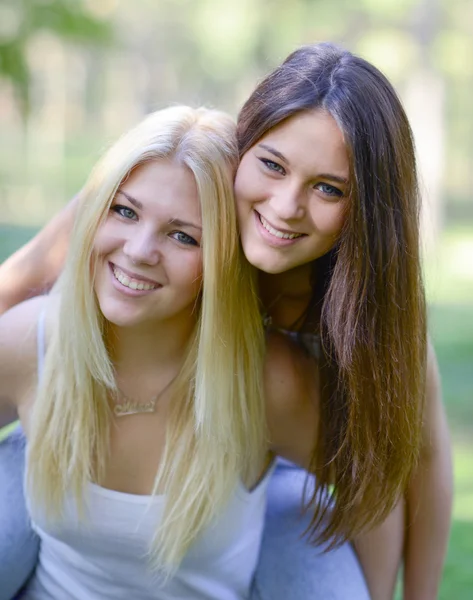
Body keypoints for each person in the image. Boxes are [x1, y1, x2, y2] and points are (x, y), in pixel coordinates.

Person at [0, 43, 452, 599]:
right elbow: (13, 288)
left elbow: (411, 461)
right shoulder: (160, 192)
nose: (286, 206)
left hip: (249, 449)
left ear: (364, 206)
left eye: (328, 187)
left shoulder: (359, 305)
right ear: (244, 144)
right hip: (79, 427)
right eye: (272, 164)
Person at [0, 105, 324, 599]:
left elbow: (379, 493)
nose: (138, 250)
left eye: (182, 236)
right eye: (124, 211)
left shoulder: (267, 382)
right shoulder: (31, 341)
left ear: (222, 259)